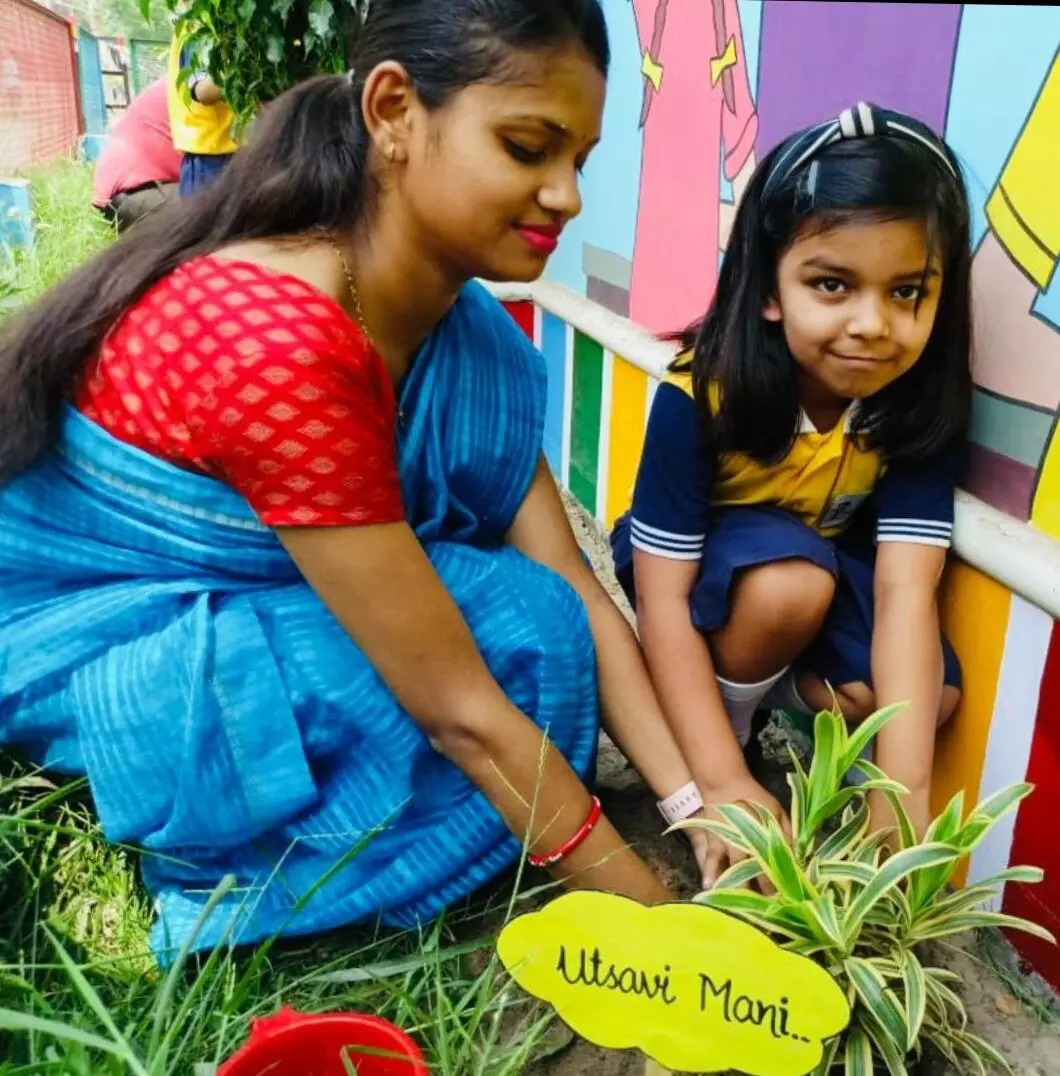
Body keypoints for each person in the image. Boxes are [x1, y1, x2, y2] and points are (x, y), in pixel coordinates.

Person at [0, 0, 711, 959]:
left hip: (266, 611)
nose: (567, 196)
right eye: (528, 147)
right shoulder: (278, 339)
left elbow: (577, 583)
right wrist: (666, 932)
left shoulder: (464, 329)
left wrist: (696, 807)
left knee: (535, 618)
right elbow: (460, 710)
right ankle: (226, 869)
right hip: (107, 651)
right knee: (505, 632)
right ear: (393, 113)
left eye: (577, 160)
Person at [612, 103, 972, 884]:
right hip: (709, 576)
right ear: (769, 287)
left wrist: (900, 799)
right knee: (788, 585)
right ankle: (735, 732)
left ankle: (783, 697)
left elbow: (910, 589)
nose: (873, 325)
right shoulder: (698, 395)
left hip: (821, 569)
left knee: (926, 699)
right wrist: (723, 781)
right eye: (833, 284)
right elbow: (662, 599)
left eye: (909, 291)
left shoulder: (912, 402)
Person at [92, 79, 182, 232]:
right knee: (215, 205)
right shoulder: (194, 91)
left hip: (127, 195)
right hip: (133, 196)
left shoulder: (181, 81)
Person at [167, 34, 238, 196]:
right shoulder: (199, 28)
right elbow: (203, 91)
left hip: (234, 155)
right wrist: (245, 78)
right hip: (208, 162)